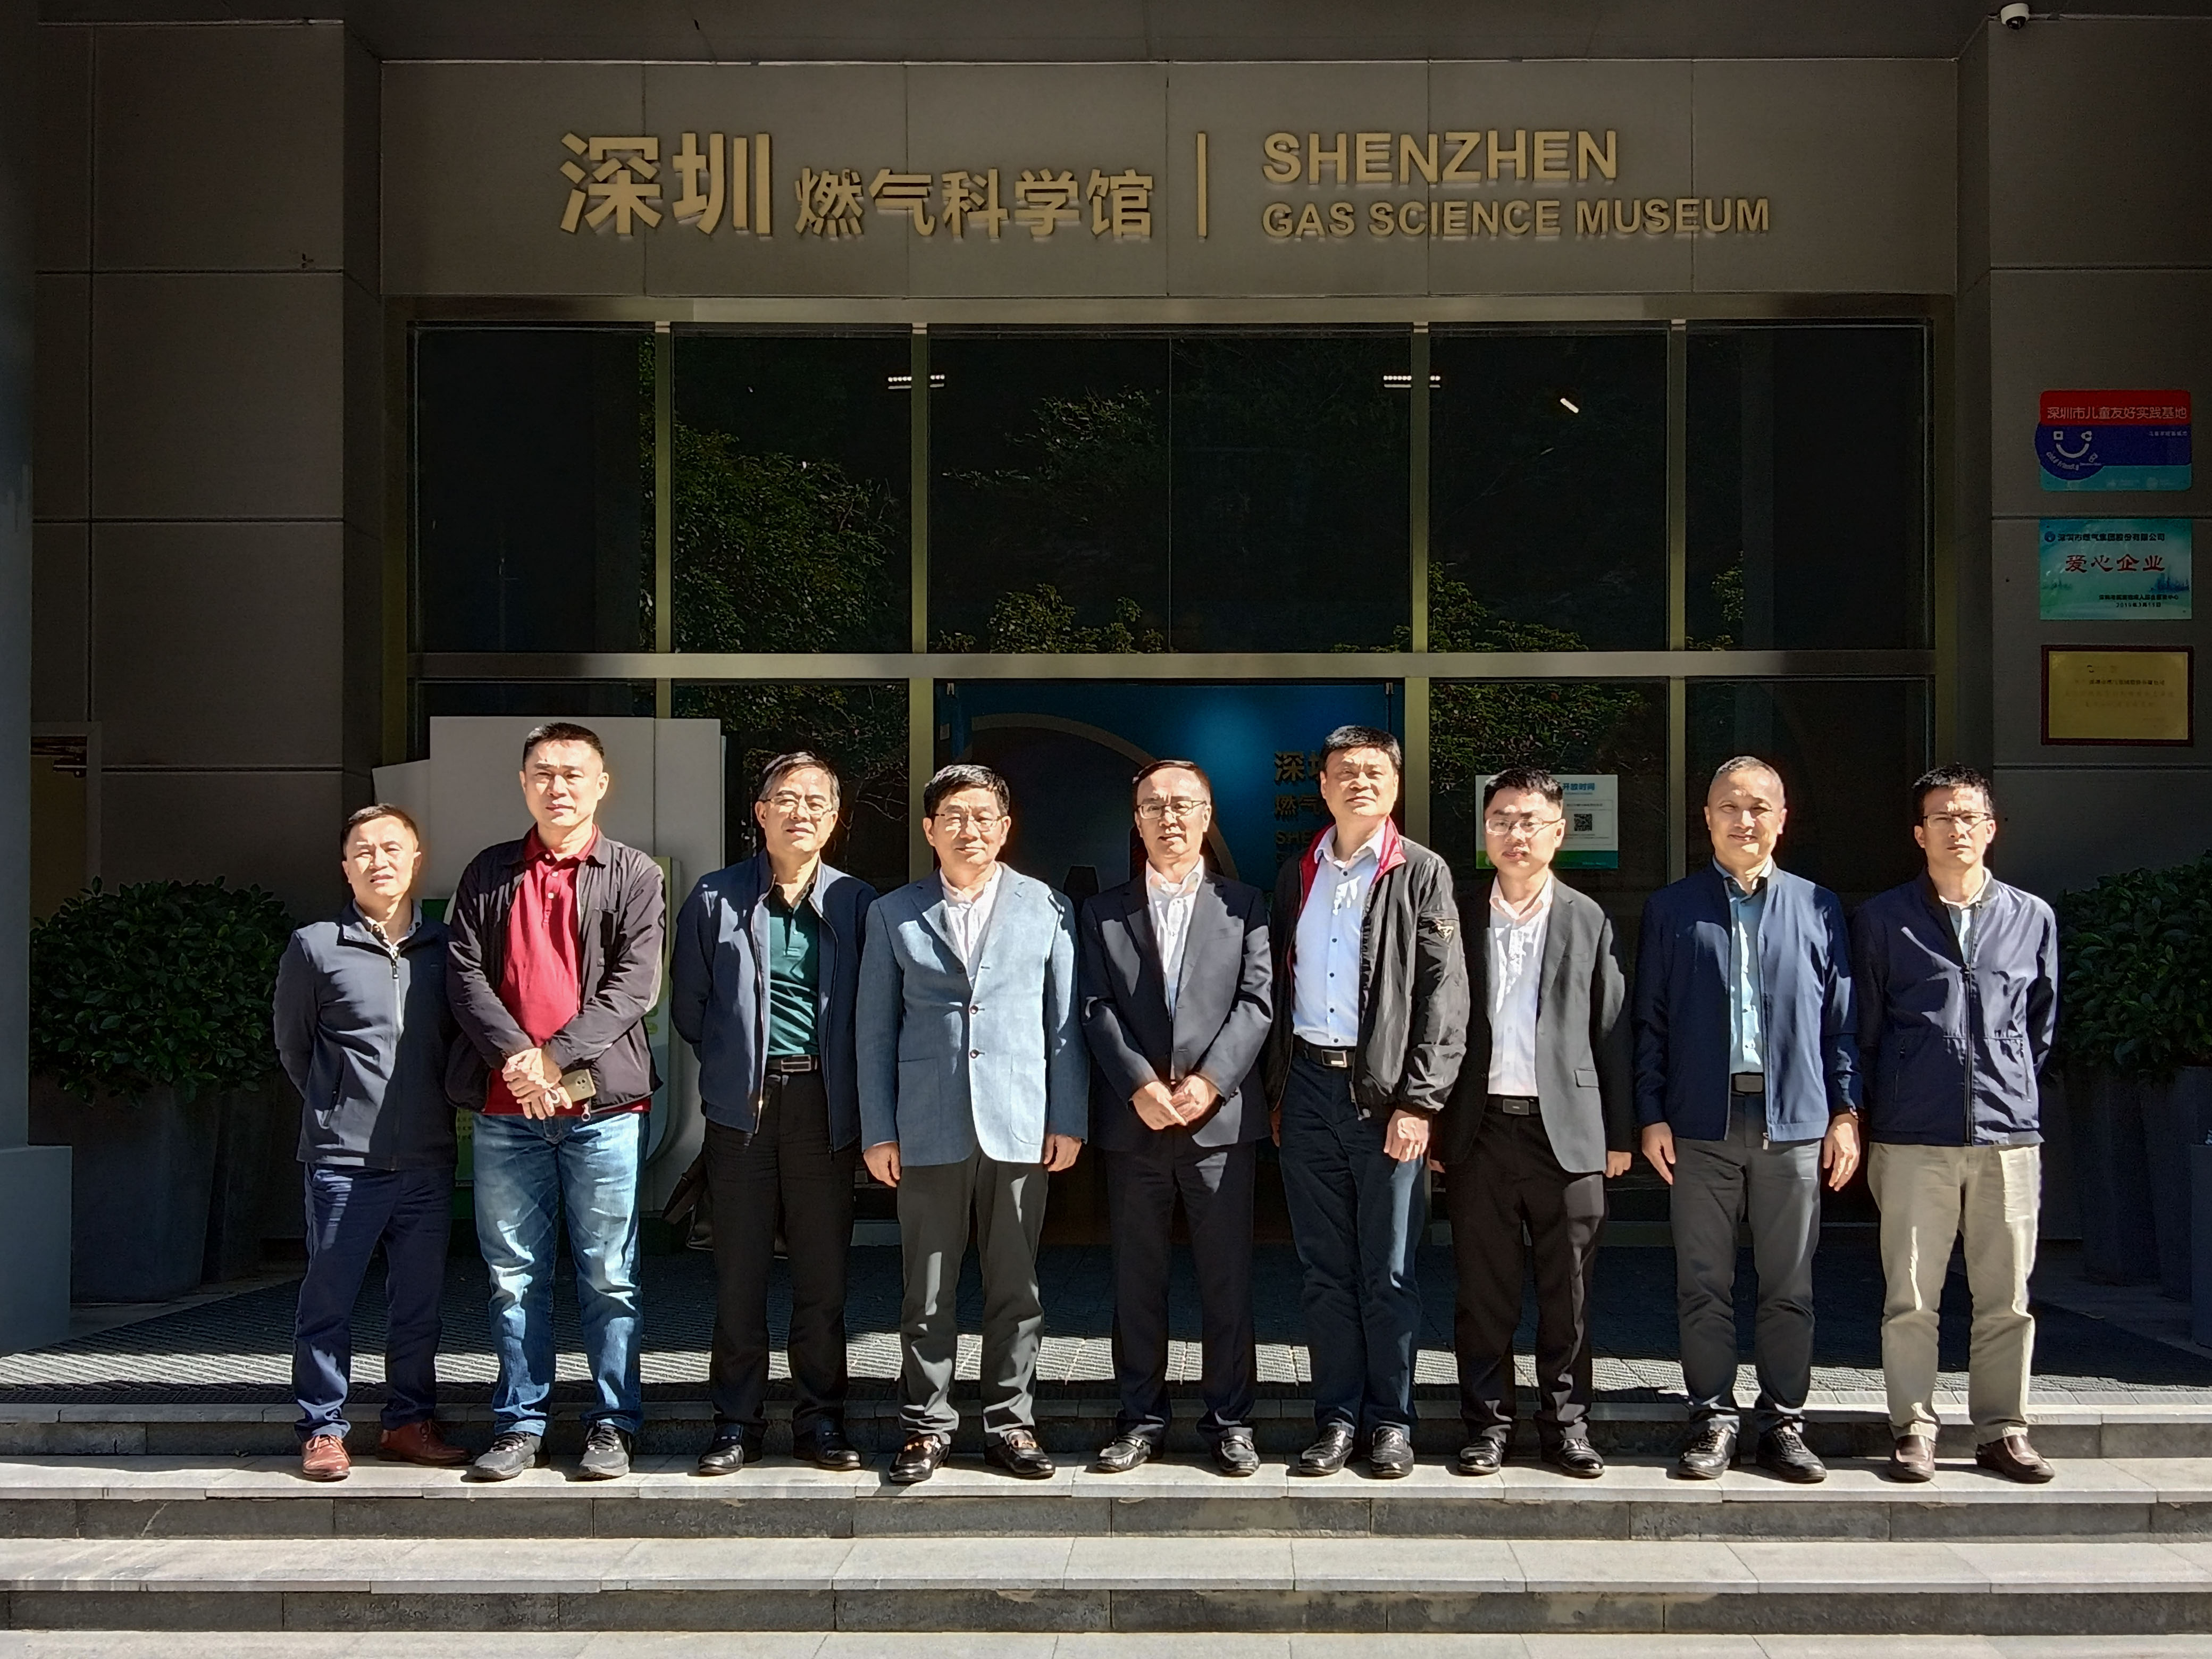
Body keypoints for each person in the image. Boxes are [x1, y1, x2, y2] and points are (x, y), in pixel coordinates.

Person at [445, 722, 666, 1482]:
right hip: (505, 1111)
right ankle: (519, 1423)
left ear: (601, 785)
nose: (558, 787)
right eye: (543, 773)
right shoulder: (488, 872)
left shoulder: (632, 873)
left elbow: (634, 987)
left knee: (609, 1276)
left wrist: (553, 1058)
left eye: (574, 774)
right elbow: (464, 975)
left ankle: (613, 1422)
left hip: (602, 1113)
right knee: (513, 1277)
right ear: (523, 783)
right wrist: (517, 1058)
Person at [857, 763, 1088, 1485]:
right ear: (930, 829)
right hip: (926, 1124)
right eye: (954, 816)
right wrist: (878, 1129)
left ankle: (1011, 1422)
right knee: (925, 1291)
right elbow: (873, 1030)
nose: (970, 829)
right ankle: (926, 1425)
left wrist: (1067, 1117)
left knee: (1016, 1287)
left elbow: (1064, 1024)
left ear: (1005, 827)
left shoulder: (1047, 907)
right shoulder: (893, 912)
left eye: (983, 816)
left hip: (1020, 1120)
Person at [1636, 756, 1861, 1485]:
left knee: (1788, 1286)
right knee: (1702, 1283)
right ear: (1706, 818)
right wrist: (1650, 1114)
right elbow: (1650, 1023)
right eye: (1729, 807)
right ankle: (1711, 1416)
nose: (1744, 820)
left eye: (1759, 807)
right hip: (1699, 1123)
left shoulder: (1818, 906)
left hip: (1793, 1122)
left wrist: (1845, 1112)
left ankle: (1783, 1422)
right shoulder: (1672, 908)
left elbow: (1840, 1024)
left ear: (1782, 819)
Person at [1263, 725, 1469, 1479]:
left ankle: (1391, 1422)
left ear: (1395, 784)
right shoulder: (1298, 874)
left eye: (1374, 771)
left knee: (1388, 1271)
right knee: (1324, 1270)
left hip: (1386, 1100)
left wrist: (1420, 1101)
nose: (1360, 782)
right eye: (1345, 771)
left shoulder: (1420, 871)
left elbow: (1444, 996)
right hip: (1308, 1090)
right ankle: (1337, 1419)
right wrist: (1279, 1091)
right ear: (1321, 785)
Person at [1853, 764, 2059, 1485]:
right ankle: (1912, 1427)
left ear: (1991, 829)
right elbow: (1864, 1028)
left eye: (1968, 817)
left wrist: (2010, 1083)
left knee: (2006, 1299)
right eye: (1941, 817)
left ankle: (2003, 1430)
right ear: (1919, 834)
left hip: (2007, 1136)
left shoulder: (2031, 918)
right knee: (1910, 1298)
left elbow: (2040, 1026)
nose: (1956, 829)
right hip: (1913, 1135)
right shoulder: (1883, 919)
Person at [672, 752, 875, 1477]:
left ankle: (821, 1421)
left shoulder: (858, 902)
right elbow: (691, 1008)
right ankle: (736, 1423)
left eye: (817, 802)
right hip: (744, 1109)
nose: (801, 812)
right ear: (760, 813)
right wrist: (737, 1067)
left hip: (825, 1105)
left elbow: (874, 1011)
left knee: (823, 1278)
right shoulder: (715, 897)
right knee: (739, 1276)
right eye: (786, 799)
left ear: (835, 818)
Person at [1435, 767, 1632, 1480]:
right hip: (1479, 1129)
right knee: (1482, 1292)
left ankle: (1567, 1427)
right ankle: (1487, 1426)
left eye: (1529, 822)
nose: (1514, 835)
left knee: (1567, 1294)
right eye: (1501, 821)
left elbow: (1612, 1030)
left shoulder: (1587, 917)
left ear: (1558, 832)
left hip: (1568, 1134)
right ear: (1485, 832)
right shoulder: (1456, 913)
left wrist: (1619, 1136)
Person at [1079, 760, 1273, 1477]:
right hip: (1136, 1123)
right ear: (1136, 820)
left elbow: (1258, 1002)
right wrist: (1138, 1084)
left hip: (1217, 1123)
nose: (1169, 817)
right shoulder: (1102, 912)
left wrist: (1211, 1082)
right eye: (1154, 805)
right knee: (1137, 1279)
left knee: (1226, 1280)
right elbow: (1093, 1006)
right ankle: (1140, 1419)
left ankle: (1230, 1420)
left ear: (1206, 817)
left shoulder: (1245, 905)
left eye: (1183, 805)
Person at [273, 804, 465, 1482]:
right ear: (345, 866)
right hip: (342, 1162)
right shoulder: (315, 946)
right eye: (363, 851)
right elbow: (294, 1047)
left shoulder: (448, 949)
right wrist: (334, 1108)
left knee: (418, 1305)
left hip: (427, 1159)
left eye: (391, 848)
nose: (378, 861)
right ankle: (323, 1428)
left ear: (416, 859)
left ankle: (409, 1421)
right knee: (328, 1299)